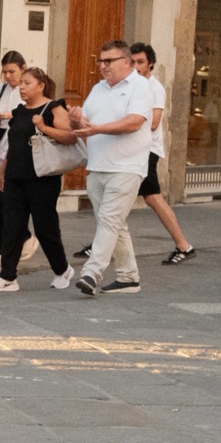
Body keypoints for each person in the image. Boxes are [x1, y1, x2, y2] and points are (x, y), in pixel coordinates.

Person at [68, 39, 151, 297]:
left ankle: (91, 273)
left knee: (109, 220)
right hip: (98, 166)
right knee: (114, 223)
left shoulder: (140, 86)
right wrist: (75, 120)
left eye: (109, 61)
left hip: (127, 166)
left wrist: (97, 129)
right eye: (101, 61)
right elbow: (83, 126)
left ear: (126, 62)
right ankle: (128, 278)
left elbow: (134, 122)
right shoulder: (98, 88)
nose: (103, 66)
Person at [0, 67, 75, 293]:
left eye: (27, 83)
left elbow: (70, 137)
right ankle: (8, 277)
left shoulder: (53, 108)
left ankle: (62, 269)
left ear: (41, 86)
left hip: (42, 178)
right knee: (12, 227)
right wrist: (2, 172)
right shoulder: (19, 112)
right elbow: (13, 145)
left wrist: (43, 127)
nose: (22, 88)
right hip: (15, 177)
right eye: (21, 84)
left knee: (45, 228)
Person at [129, 44, 196, 264]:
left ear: (150, 64)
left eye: (140, 62)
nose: (136, 66)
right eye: (132, 62)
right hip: (133, 149)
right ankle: (100, 244)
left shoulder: (153, 88)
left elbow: (154, 122)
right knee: (123, 195)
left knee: (152, 198)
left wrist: (125, 125)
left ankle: (183, 245)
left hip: (146, 150)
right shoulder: (132, 86)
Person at [0, 52, 34, 268]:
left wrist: (10, 115)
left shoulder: (29, 87)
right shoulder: (2, 88)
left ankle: (14, 246)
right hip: (1, 139)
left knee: (11, 198)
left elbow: (32, 112)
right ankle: (8, 246)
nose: (8, 76)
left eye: (12, 71)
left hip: (19, 140)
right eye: (4, 72)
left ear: (23, 68)